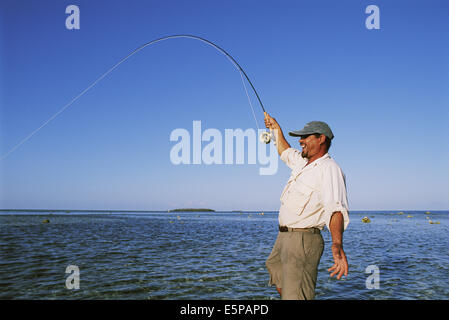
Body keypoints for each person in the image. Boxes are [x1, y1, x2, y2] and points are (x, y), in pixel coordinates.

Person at [264, 112, 349, 300]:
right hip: (284, 237)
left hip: (303, 241)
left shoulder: (329, 169)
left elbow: (335, 209)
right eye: (300, 137)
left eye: (305, 137)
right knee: (277, 274)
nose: (300, 141)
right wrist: (275, 127)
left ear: (321, 139)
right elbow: (284, 150)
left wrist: (337, 244)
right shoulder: (302, 163)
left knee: (297, 294)